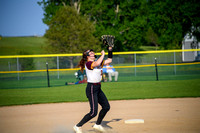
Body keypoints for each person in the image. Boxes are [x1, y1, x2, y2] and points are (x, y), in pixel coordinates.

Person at [73, 47, 113, 133]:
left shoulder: (97, 63)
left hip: (98, 88)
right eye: (89, 52)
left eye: (92, 51)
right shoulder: (88, 63)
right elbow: (97, 62)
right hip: (91, 88)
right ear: (87, 56)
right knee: (93, 112)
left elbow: (109, 60)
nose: (92, 52)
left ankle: (97, 124)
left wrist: (110, 50)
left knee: (106, 107)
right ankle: (77, 126)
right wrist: (103, 55)